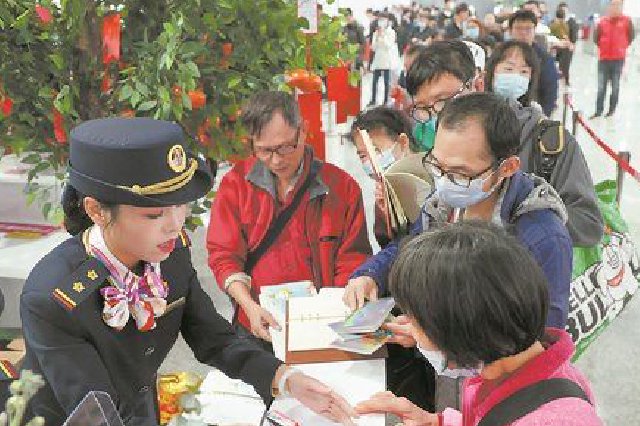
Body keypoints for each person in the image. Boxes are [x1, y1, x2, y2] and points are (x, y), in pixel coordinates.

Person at [20, 118, 356, 425]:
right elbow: (94, 412)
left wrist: (285, 380)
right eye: (154, 215)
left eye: (181, 205)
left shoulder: (169, 254)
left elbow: (215, 339)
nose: (175, 225)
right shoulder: (54, 298)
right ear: (96, 210)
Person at [347, 93, 572, 330]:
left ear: (507, 167)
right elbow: (410, 246)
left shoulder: (542, 238)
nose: (444, 181)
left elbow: (543, 341)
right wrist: (372, 275)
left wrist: (439, 343)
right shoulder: (443, 204)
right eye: (437, 165)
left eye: (460, 173)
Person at [354, 222, 603, 426]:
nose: (410, 328)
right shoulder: (506, 366)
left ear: (458, 331)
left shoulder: (558, 419)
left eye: (416, 321)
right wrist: (436, 422)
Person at [392, 40, 603, 247]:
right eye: (423, 108)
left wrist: (519, 230)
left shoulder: (548, 141)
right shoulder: (435, 138)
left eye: (444, 101)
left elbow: (589, 224)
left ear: (478, 84)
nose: (437, 116)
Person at [207, 91, 371, 342]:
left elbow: (352, 258)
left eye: (285, 147)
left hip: (323, 325)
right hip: (258, 322)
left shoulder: (342, 187)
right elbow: (224, 257)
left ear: (303, 131)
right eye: (263, 151)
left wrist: (341, 310)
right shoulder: (235, 185)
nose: (276, 160)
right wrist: (248, 306)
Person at [350, 106, 421, 247]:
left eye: (376, 150)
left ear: (402, 142)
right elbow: (387, 244)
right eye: (363, 155)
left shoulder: (430, 178)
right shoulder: (383, 192)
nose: (370, 161)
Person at [509, 9, 559, 116]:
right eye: (518, 28)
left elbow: (549, 93)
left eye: (528, 29)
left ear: (534, 30)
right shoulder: (501, 54)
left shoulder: (544, 59)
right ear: (510, 31)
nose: (523, 33)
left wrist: (542, 120)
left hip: (532, 116)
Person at [591, 0, 635, 118]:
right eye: (613, 4)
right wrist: (603, 47)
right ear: (610, 6)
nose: (615, 7)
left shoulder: (627, 21)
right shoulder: (602, 22)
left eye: (618, 5)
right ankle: (598, 111)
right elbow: (596, 38)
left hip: (618, 60)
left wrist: (622, 47)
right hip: (604, 59)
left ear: (621, 7)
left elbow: (631, 37)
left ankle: (611, 111)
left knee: (615, 87)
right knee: (601, 87)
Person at [485, 40, 540, 108]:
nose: (515, 75)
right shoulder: (475, 109)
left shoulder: (534, 115)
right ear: (492, 69)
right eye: (509, 69)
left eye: (524, 71)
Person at [369, 13, 398, 106]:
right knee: (374, 81)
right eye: (380, 19)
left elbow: (389, 45)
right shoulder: (375, 33)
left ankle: (385, 100)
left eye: (384, 19)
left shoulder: (391, 32)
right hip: (378, 58)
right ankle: (373, 99)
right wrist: (377, 37)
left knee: (386, 81)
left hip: (386, 59)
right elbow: (373, 47)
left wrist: (383, 36)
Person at [550, 7, 573, 85]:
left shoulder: (552, 25)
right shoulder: (565, 25)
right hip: (563, 48)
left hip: (554, 47)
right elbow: (566, 35)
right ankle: (565, 80)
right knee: (564, 66)